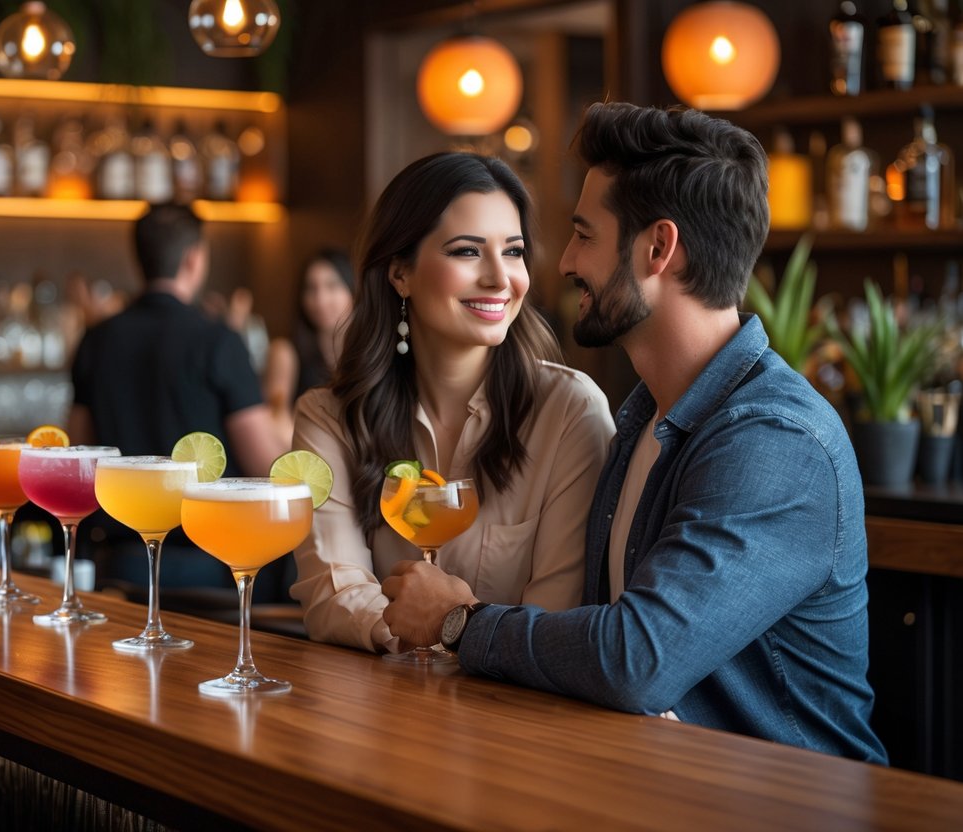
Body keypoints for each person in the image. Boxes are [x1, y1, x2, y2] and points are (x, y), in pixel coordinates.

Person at [382, 103, 887, 764]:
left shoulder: (775, 441)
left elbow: (635, 659)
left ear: (657, 249)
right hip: (655, 783)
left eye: (584, 235)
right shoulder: (643, 415)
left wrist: (457, 622)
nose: (562, 263)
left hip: (782, 803)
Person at [290, 152, 615, 653]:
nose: (500, 278)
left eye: (513, 251)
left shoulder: (571, 413)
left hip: (516, 719)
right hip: (381, 714)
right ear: (400, 272)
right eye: (467, 252)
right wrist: (428, 630)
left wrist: (449, 626)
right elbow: (333, 594)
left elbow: (554, 623)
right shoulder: (328, 418)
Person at [68, 203, 286, 590]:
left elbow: (80, 453)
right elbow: (266, 465)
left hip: (120, 567)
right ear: (193, 258)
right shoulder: (218, 341)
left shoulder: (96, 340)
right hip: (209, 570)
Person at [264, 249, 357, 447]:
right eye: (311, 288)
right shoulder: (285, 351)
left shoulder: (369, 352)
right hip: (305, 457)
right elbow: (276, 418)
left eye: (332, 286)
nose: (320, 300)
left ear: (354, 291)